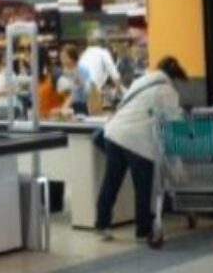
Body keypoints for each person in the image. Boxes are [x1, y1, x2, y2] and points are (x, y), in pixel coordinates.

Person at [94, 56, 186, 242]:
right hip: (138, 141)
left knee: (111, 182)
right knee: (143, 187)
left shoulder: (141, 81)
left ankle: (102, 224)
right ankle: (143, 231)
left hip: (115, 133)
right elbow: (173, 123)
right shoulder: (167, 90)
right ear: (174, 78)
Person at [57, 44, 91, 116]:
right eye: (61, 57)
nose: (62, 60)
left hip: (81, 105)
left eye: (64, 57)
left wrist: (77, 79)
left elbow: (86, 89)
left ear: (72, 58)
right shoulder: (65, 70)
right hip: (68, 104)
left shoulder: (82, 69)